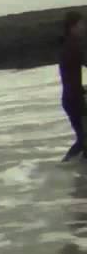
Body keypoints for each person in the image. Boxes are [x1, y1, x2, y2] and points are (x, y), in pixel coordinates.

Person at [59, 11, 86, 161]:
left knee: (84, 138)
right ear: (72, 27)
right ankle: (65, 165)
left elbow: (70, 76)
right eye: (81, 24)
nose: (84, 27)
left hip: (71, 98)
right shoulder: (73, 46)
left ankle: (77, 170)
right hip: (74, 100)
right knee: (84, 139)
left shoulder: (68, 45)